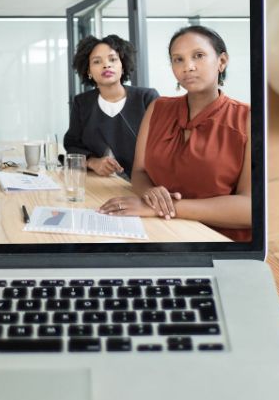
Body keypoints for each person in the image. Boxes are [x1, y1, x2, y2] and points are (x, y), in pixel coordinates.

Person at [98, 25, 251, 241]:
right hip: (158, 233)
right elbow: (140, 173)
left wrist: (161, 208)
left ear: (222, 61)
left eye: (198, 56)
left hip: (217, 244)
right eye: (178, 59)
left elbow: (251, 208)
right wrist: (149, 193)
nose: (187, 66)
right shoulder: (157, 108)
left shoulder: (248, 118)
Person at [63, 34, 158, 178]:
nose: (106, 65)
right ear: (88, 71)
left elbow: (164, 147)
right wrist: (93, 162)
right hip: (100, 183)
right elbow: (72, 145)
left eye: (113, 59)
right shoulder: (82, 103)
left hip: (145, 184)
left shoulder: (147, 98)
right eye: (97, 61)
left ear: (123, 65)